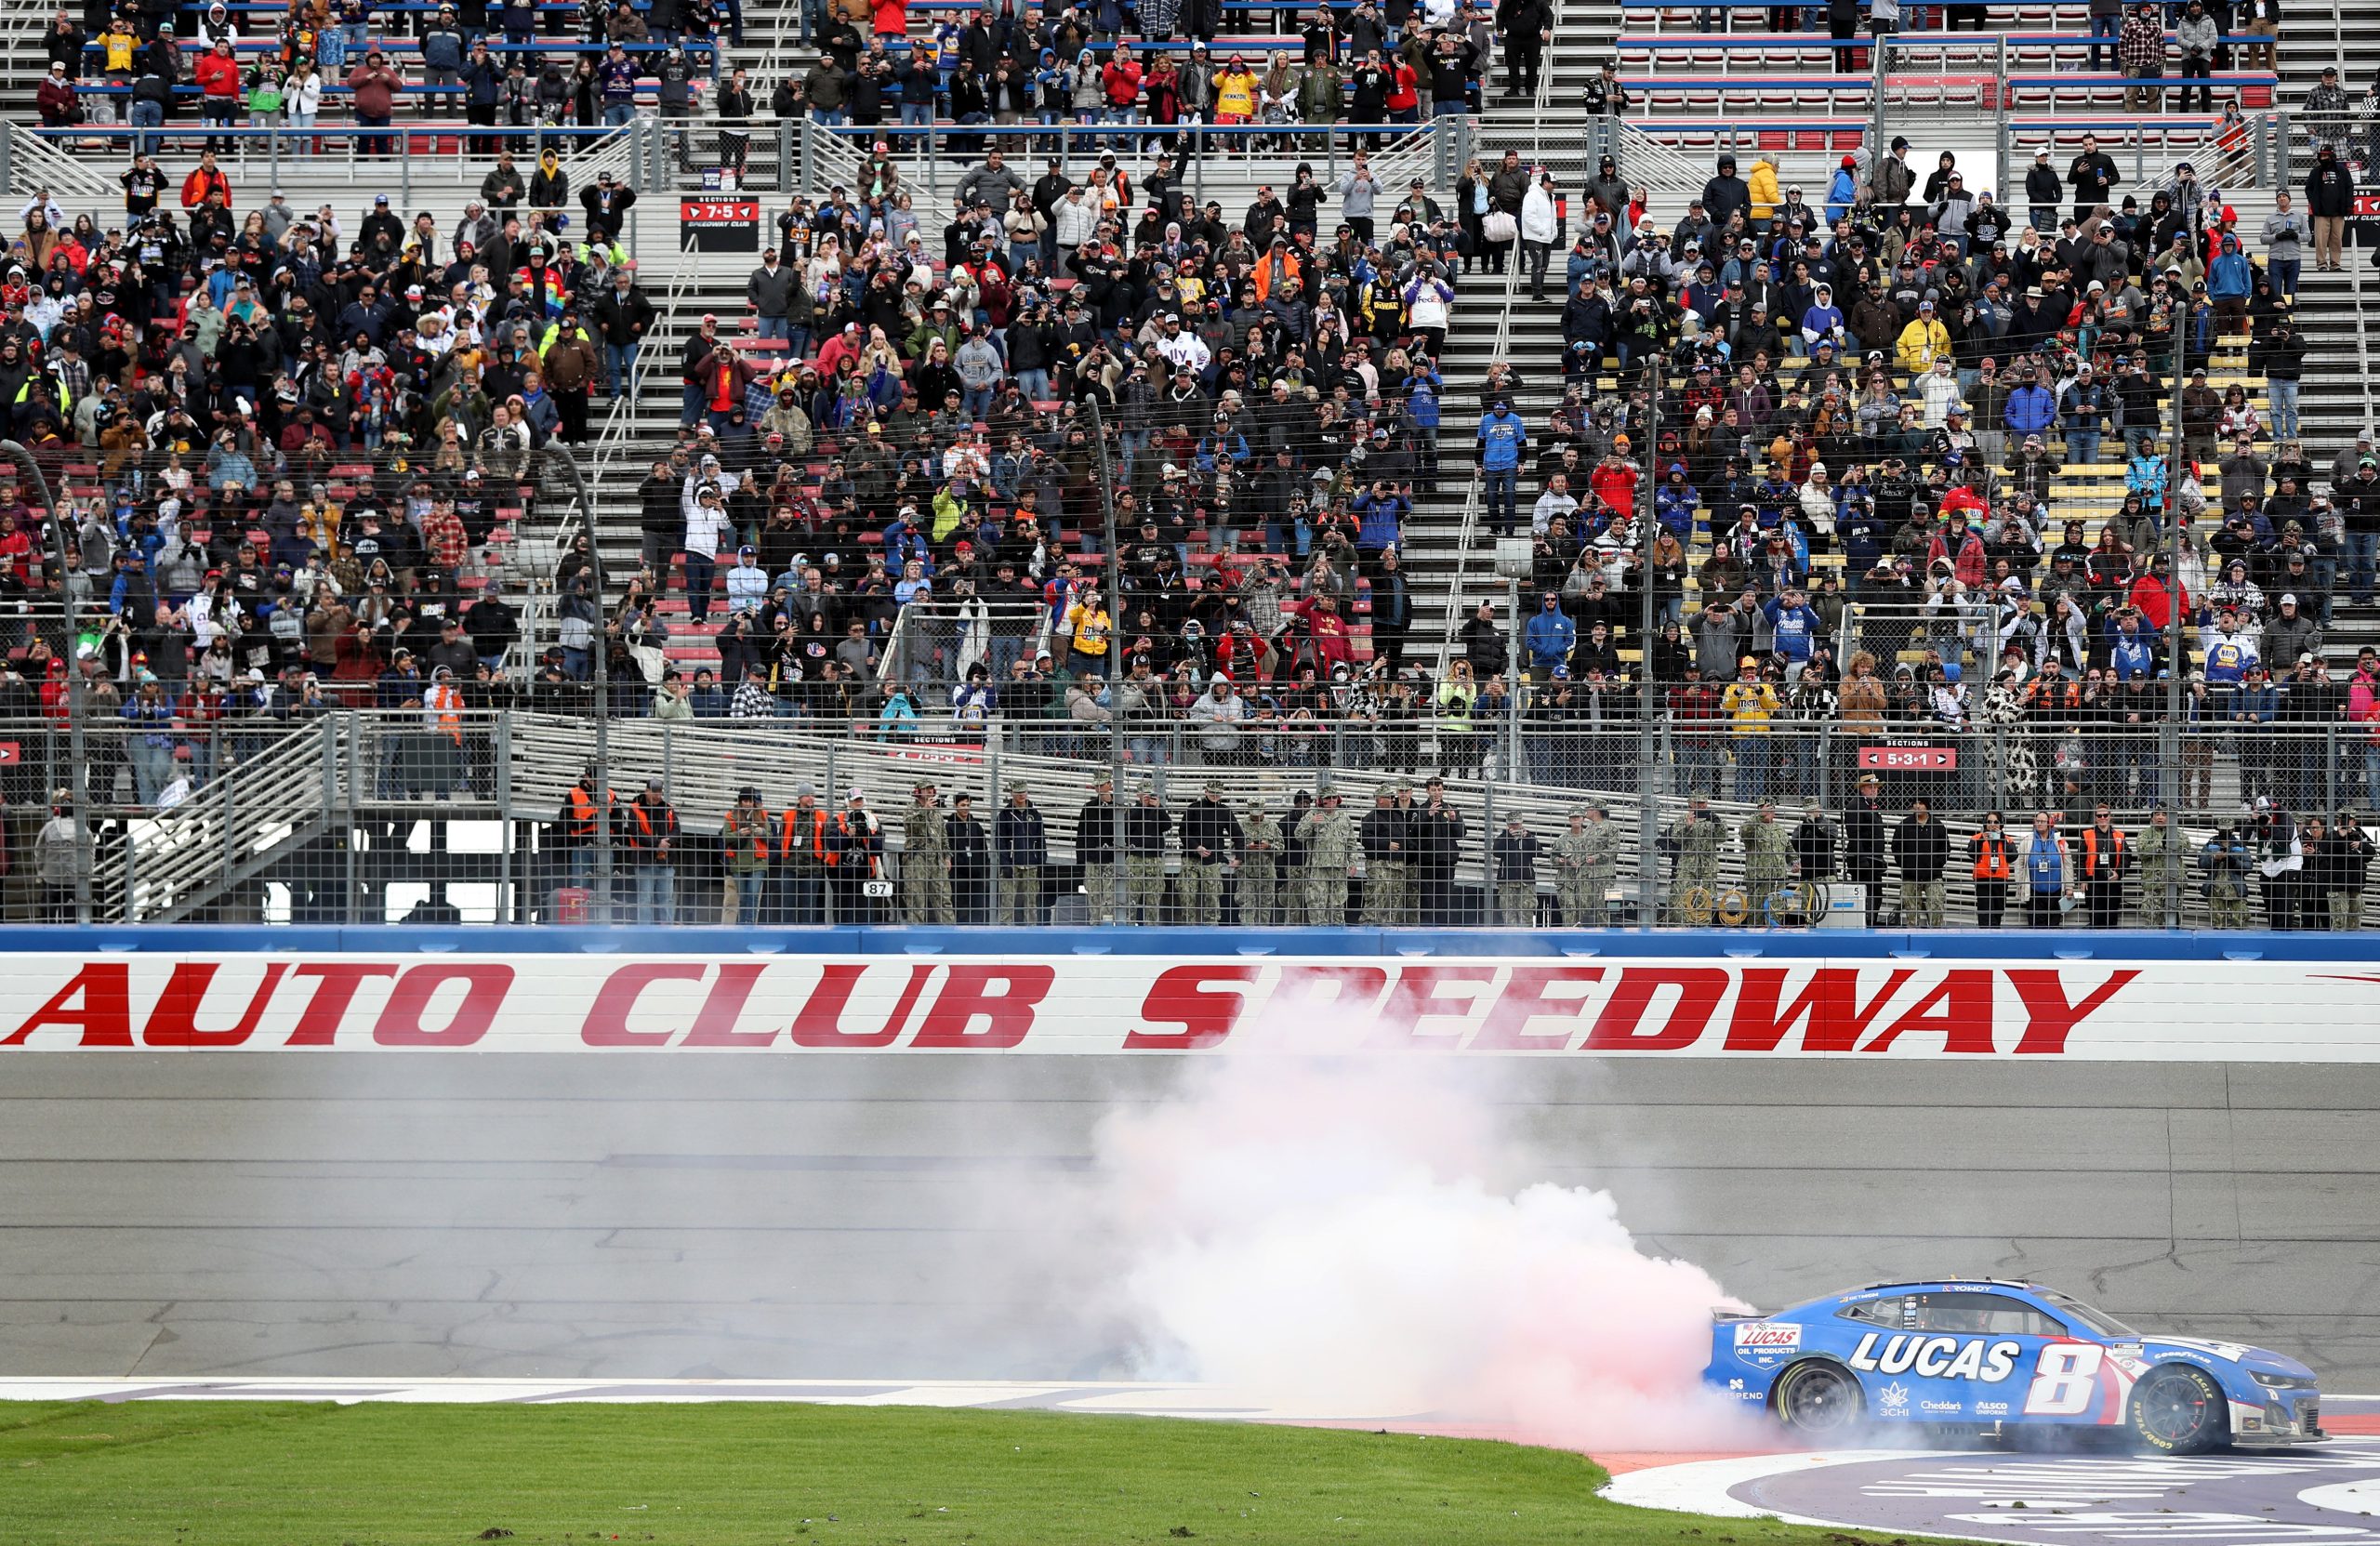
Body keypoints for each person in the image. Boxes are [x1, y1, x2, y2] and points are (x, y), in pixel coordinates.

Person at [1177, 781, 1241, 927]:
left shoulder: (1224, 811)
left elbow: (1238, 835)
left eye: (1218, 793)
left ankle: (1212, 926)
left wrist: (1239, 857)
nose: (1215, 796)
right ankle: (1188, 927)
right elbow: (1183, 832)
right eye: (1212, 792)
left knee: (1213, 896)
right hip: (1191, 859)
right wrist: (1196, 847)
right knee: (1186, 894)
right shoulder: (1194, 809)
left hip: (1212, 860)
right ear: (1205, 791)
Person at [619, 776, 681, 924]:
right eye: (654, 792)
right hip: (644, 861)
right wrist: (657, 843)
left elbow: (677, 831)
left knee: (666, 898)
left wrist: (666, 843)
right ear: (646, 791)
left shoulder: (669, 809)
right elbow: (635, 832)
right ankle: (645, 932)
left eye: (659, 792)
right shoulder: (635, 809)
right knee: (645, 898)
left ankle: (667, 931)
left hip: (665, 861)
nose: (657, 796)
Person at [1300, 784, 1358, 927]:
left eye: (1334, 797)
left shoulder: (1344, 818)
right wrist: (1311, 824)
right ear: (1321, 800)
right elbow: (1298, 835)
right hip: (1318, 869)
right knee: (1317, 905)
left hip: (1338, 869)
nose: (1331, 800)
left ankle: (1338, 940)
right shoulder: (1313, 815)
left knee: (1338, 906)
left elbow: (1351, 842)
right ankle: (1319, 941)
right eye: (1328, 798)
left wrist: (1353, 862)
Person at [1552, 804, 1619, 927]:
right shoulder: (1563, 839)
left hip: (1595, 878)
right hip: (1571, 881)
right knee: (1575, 915)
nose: (1575, 820)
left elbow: (1610, 850)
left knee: (1598, 912)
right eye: (1573, 818)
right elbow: (1553, 858)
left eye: (1578, 817)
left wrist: (1594, 858)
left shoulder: (1599, 831)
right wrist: (1564, 861)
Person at [775, 782, 831, 925]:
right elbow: (781, 836)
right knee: (787, 905)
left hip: (813, 867)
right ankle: (787, 932)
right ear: (800, 797)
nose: (811, 798)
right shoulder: (788, 815)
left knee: (809, 906)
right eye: (807, 795)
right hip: (790, 866)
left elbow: (827, 839)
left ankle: (808, 934)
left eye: (813, 795)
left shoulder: (822, 816)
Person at [994, 780, 1048, 925]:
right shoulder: (1005, 815)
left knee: (1031, 905)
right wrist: (1005, 864)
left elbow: (1041, 839)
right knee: (1007, 903)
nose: (1021, 795)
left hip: (1031, 864)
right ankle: (1005, 933)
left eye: (1023, 792)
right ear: (1012, 794)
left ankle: (1031, 933)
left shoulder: (1035, 814)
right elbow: (1000, 841)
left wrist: (1042, 860)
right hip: (1012, 865)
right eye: (1018, 792)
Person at [1665, 795, 1725, 922]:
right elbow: (1675, 838)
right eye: (1698, 803)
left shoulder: (1712, 820)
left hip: (1708, 868)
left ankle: (1703, 931)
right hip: (1687, 868)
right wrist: (1687, 827)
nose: (1701, 806)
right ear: (1691, 804)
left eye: (1703, 803)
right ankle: (1683, 930)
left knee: (1704, 902)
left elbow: (1723, 838)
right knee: (1683, 900)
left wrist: (1718, 824)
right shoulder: (1683, 819)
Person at [901, 778, 953, 924]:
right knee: (916, 901)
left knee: (944, 899)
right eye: (926, 789)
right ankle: (916, 936)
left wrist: (947, 856)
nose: (930, 791)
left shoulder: (937, 813)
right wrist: (924, 811)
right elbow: (909, 827)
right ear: (918, 792)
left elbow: (943, 837)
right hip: (917, 860)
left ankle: (949, 934)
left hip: (936, 861)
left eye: (932, 788)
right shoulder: (911, 809)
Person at [721, 786, 775, 924]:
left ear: (754, 802)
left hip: (758, 863)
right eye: (744, 801)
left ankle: (749, 923)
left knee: (753, 895)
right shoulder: (731, 816)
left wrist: (762, 832)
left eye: (750, 801)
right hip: (738, 863)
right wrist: (739, 834)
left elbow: (771, 837)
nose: (747, 803)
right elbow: (725, 837)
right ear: (740, 801)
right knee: (743, 897)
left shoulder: (762, 815)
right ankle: (742, 925)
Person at [1843, 774, 1891, 926]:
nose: (1874, 790)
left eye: (1876, 787)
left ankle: (1871, 922)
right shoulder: (1855, 806)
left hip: (1873, 859)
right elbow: (1854, 834)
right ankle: (1864, 923)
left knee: (1876, 894)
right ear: (1862, 789)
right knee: (1865, 894)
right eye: (1871, 787)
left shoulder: (1871, 806)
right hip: (1863, 861)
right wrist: (1862, 859)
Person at [1122, 783, 1172, 925]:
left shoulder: (1156, 810)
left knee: (1153, 897)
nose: (1147, 797)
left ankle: (1152, 928)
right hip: (1135, 856)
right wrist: (1141, 807)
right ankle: (1128, 927)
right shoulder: (1131, 810)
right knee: (1131, 895)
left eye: (1149, 794)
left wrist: (1159, 808)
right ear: (1138, 795)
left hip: (1154, 857)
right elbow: (1125, 826)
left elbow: (1167, 825)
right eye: (1144, 795)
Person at [1358, 785, 1409, 924]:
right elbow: (1365, 838)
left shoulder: (1397, 816)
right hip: (1380, 866)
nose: (1393, 800)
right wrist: (1386, 844)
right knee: (1376, 901)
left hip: (1398, 867)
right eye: (1390, 797)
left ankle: (1388, 932)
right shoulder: (1372, 817)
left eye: (1394, 797)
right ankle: (1367, 933)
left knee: (1394, 904)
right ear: (1380, 800)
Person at [1894, 799, 1949, 928]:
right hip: (1910, 876)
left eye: (1921, 803)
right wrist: (1906, 865)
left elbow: (1945, 848)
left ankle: (1935, 936)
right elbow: (1896, 847)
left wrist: (1936, 864)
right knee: (1911, 913)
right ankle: (1913, 938)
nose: (1917, 806)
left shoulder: (1937, 825)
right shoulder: (1904, 825)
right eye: (1915, 803)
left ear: (1927, 806)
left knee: (1936, 907)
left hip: (1933, 875)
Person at [1076, 774, 1122, 924]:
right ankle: (1094, 924)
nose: (1099, 788)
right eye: (1097, 786)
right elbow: (1081, 835)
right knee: (1093, 896)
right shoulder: (1088, 808)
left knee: (1109, 897)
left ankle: (1106, 926)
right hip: (1092, 858)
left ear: (1110, 785)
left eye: (1102, 785)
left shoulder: (1120, 807)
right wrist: (1081, 862)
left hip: (1111, 859)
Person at [1739, 799, 1793, 926]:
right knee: (1755, 916)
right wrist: (1759, 816)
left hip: (1777, 881)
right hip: (1758, 881)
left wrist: (1794, 862)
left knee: (1775, 915)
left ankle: (1774, 942)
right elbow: (1743, 831)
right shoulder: (1753, 827)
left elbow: (1790, 851)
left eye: (1770, 809)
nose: (1768, 812)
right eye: (1764, 809)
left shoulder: (1779, 830)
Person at [2079, 803, 2129, 929]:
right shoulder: (2087, 834)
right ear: (2095, 818)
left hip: (2113, 881)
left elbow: (2127, 856)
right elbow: (2080, 858)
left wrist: (2119, 873)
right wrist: (2083, 879)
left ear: (2110, 816)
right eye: (2099, 815)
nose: (2102, 817)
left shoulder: (2119, 835)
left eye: (2105, 815)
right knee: (2095, 915)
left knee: (2111, 915)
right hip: (2094, 881)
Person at [947, 792, 993, 924]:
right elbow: (951, 851)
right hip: (959, 875)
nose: (966, 808)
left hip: (976, 875)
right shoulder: (950, 827)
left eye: (968, 805)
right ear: (955, 806)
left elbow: (983, 849)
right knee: (960, 909)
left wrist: (982, 867)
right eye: (962, 805)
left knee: (978, 909)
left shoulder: (976, 826)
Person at [2021, 810, 2071, 928]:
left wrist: (2069, 887)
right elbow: (2020, 865)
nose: (2039, 823)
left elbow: (2068, 865)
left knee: (2053, 926)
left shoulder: (2059, 841)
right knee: (2036, 928)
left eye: (2043, 821)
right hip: (2035, 893)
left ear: (2049, 823)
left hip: (2056, 892)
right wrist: (2022, 886)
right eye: (2037, 821)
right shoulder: (2027, 841)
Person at [2132, 805, 2180, 928]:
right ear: (2152, 818)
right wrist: (2161, 844)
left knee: (2173, 923)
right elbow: (2141, 850)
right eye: (2157, 814)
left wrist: (2170, 844)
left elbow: (2185, 845)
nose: (2160, 817)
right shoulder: (2144, 834)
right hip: (2152, 886)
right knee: (2151, 922)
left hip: (2173, 886)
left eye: (2164, 814)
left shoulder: (2177, 833)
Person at [1238, 799, 1284, 926]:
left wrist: (1268, 846)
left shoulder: (1272, 826)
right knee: (1247, 907)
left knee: (1265, 909)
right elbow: (1233, 847)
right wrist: (1247, 847)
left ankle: (1263, 936)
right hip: (1247, 873)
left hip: (1267, 874)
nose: (1256, 816)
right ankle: (1247, 936)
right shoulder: (1241, 826)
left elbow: (1281, 849)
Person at [1491, 813, 1540, 927]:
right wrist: (1508, 836)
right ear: (1508, 825)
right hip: (1507, 883)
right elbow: (1496, 852)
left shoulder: (1528, 836)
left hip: (1526, 883)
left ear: (1521, 823)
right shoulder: (1503, 837)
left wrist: (1527, 837)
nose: (1515, 827)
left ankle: (1526, 942)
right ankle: (1511, 943)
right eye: (1512, 824)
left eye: (1517, 824)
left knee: (1526, 916)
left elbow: (1539, 851)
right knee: (1509, 916)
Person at [1968, 809, 2013, 928]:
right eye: (1989, 822)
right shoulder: (1977, 838)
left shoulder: (2007, 839)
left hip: (2000, 879)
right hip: (1983, 879)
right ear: (1985, 823)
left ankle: (1995, 933)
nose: (1992, 825)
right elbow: (1971, 854)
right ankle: (1985, 935)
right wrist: (1982, 839)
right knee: (1985, 912)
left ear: (2001, 824)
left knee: (1998, 911)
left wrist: (2002, 838)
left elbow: (2013, 856)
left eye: (1995, 822)